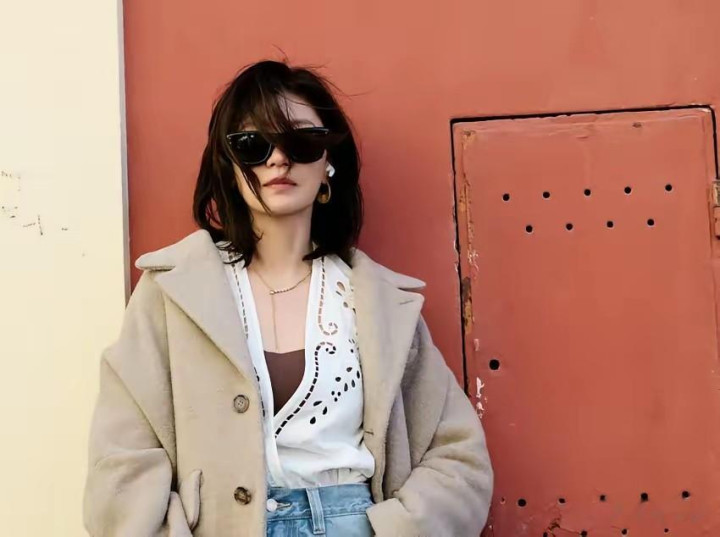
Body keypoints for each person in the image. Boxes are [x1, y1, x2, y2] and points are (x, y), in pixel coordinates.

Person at [82, 60, 493, 537]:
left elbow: (457, 456)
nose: (278, 159)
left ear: (328, 162)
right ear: (228, 165)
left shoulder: (380, 304)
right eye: (252, 144)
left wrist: (394, 530)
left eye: (301, 142)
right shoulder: (172, 293)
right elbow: (122, 456)